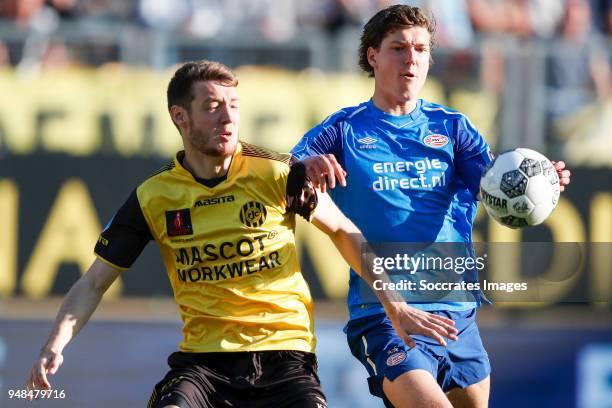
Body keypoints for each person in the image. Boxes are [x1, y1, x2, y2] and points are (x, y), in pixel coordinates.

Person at [25, 59, 457, 408]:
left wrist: (396, 307)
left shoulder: (275, 172)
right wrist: (55, 342)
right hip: (203, 367)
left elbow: (344, 231)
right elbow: (95, 280)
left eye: (234, 104)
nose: (229, 117)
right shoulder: (154, 197)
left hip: (285, 359)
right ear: (180, 117)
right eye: (213, 106)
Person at [291, 5, 571, 408]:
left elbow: (496, 190)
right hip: (385, 314)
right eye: (399, 48)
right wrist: (304, 165)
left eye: (421, 49)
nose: (412, 59)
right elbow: (283, 169)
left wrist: (537, 187)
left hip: (456, 313)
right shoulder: (343, 129)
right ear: (372, 55)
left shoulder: (453, 128)